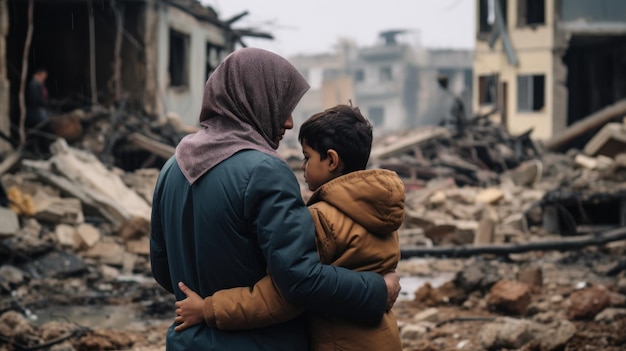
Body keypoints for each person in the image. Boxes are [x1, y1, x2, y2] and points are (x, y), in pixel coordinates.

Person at [150, 48, 401, 351]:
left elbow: (163, 270)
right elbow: (300, 281)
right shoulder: (264, 171)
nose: (289, 123)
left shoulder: (171, 167)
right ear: (254, 100)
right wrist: (379, 290)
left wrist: (204, 303)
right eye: (281, 105)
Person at [25, 68, 53, 153]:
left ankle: (43, 150)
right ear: (39, 74)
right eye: (43, 76)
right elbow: (35, 100)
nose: (44, 78)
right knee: (43, 130)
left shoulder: (39, 84)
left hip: (40, 111)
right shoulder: (33, 84)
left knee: (41, 132)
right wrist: (46, 103)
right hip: (36, 113)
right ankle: (44, 151)